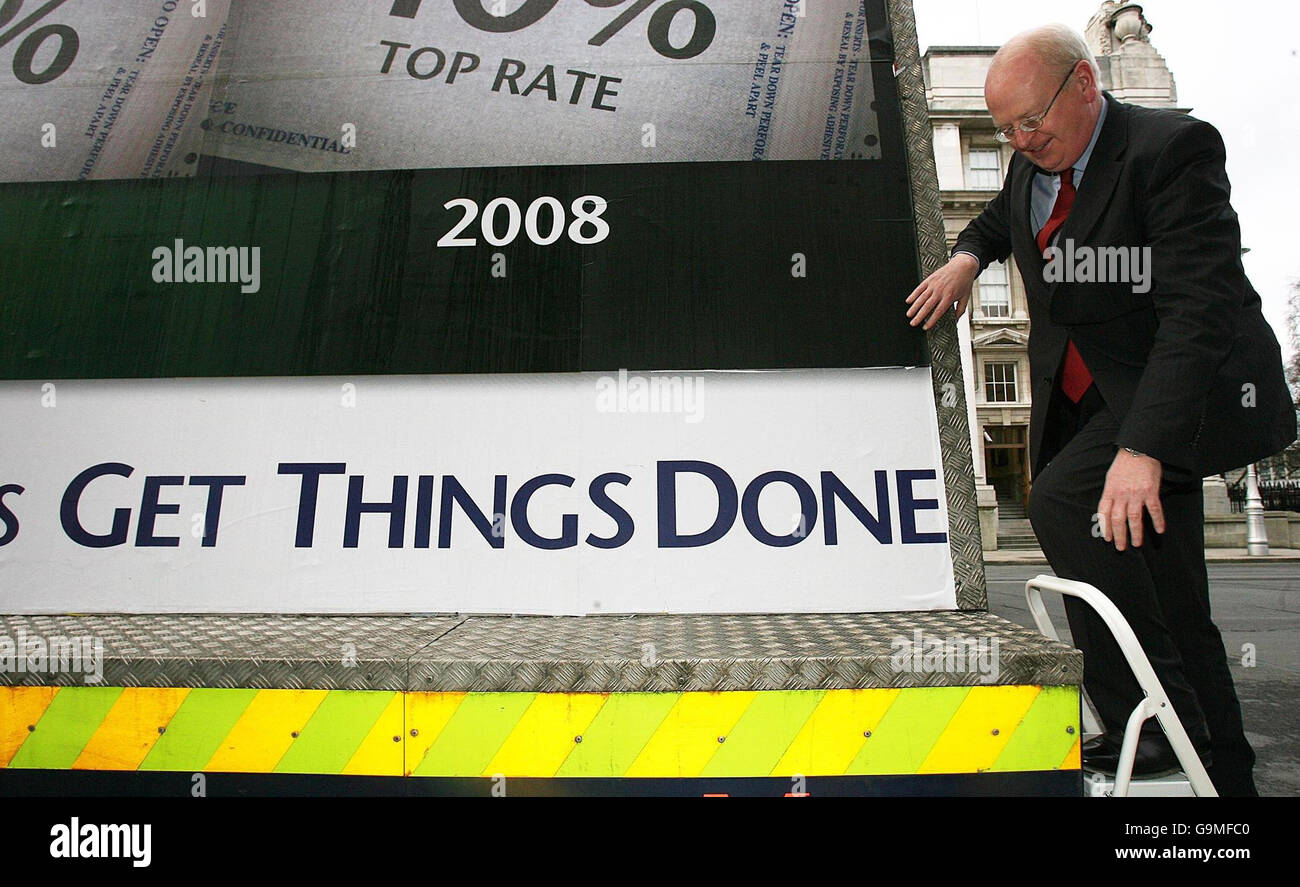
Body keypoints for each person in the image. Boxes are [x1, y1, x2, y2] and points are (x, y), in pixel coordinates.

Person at [905, 24, 1296, 796]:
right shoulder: (1030, 167)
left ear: (1085, 83)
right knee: (1179, 603)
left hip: (1172, 393)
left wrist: (1146, 447)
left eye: (1032, 122)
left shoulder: (1170, 151)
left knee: (1061, 498)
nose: (1021, 141)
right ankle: (1220, 771)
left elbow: (1198, 310)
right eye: (1006, 129)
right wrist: (967, 258)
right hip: (1089, 400)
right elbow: (996, 217)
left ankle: (1144, 716)